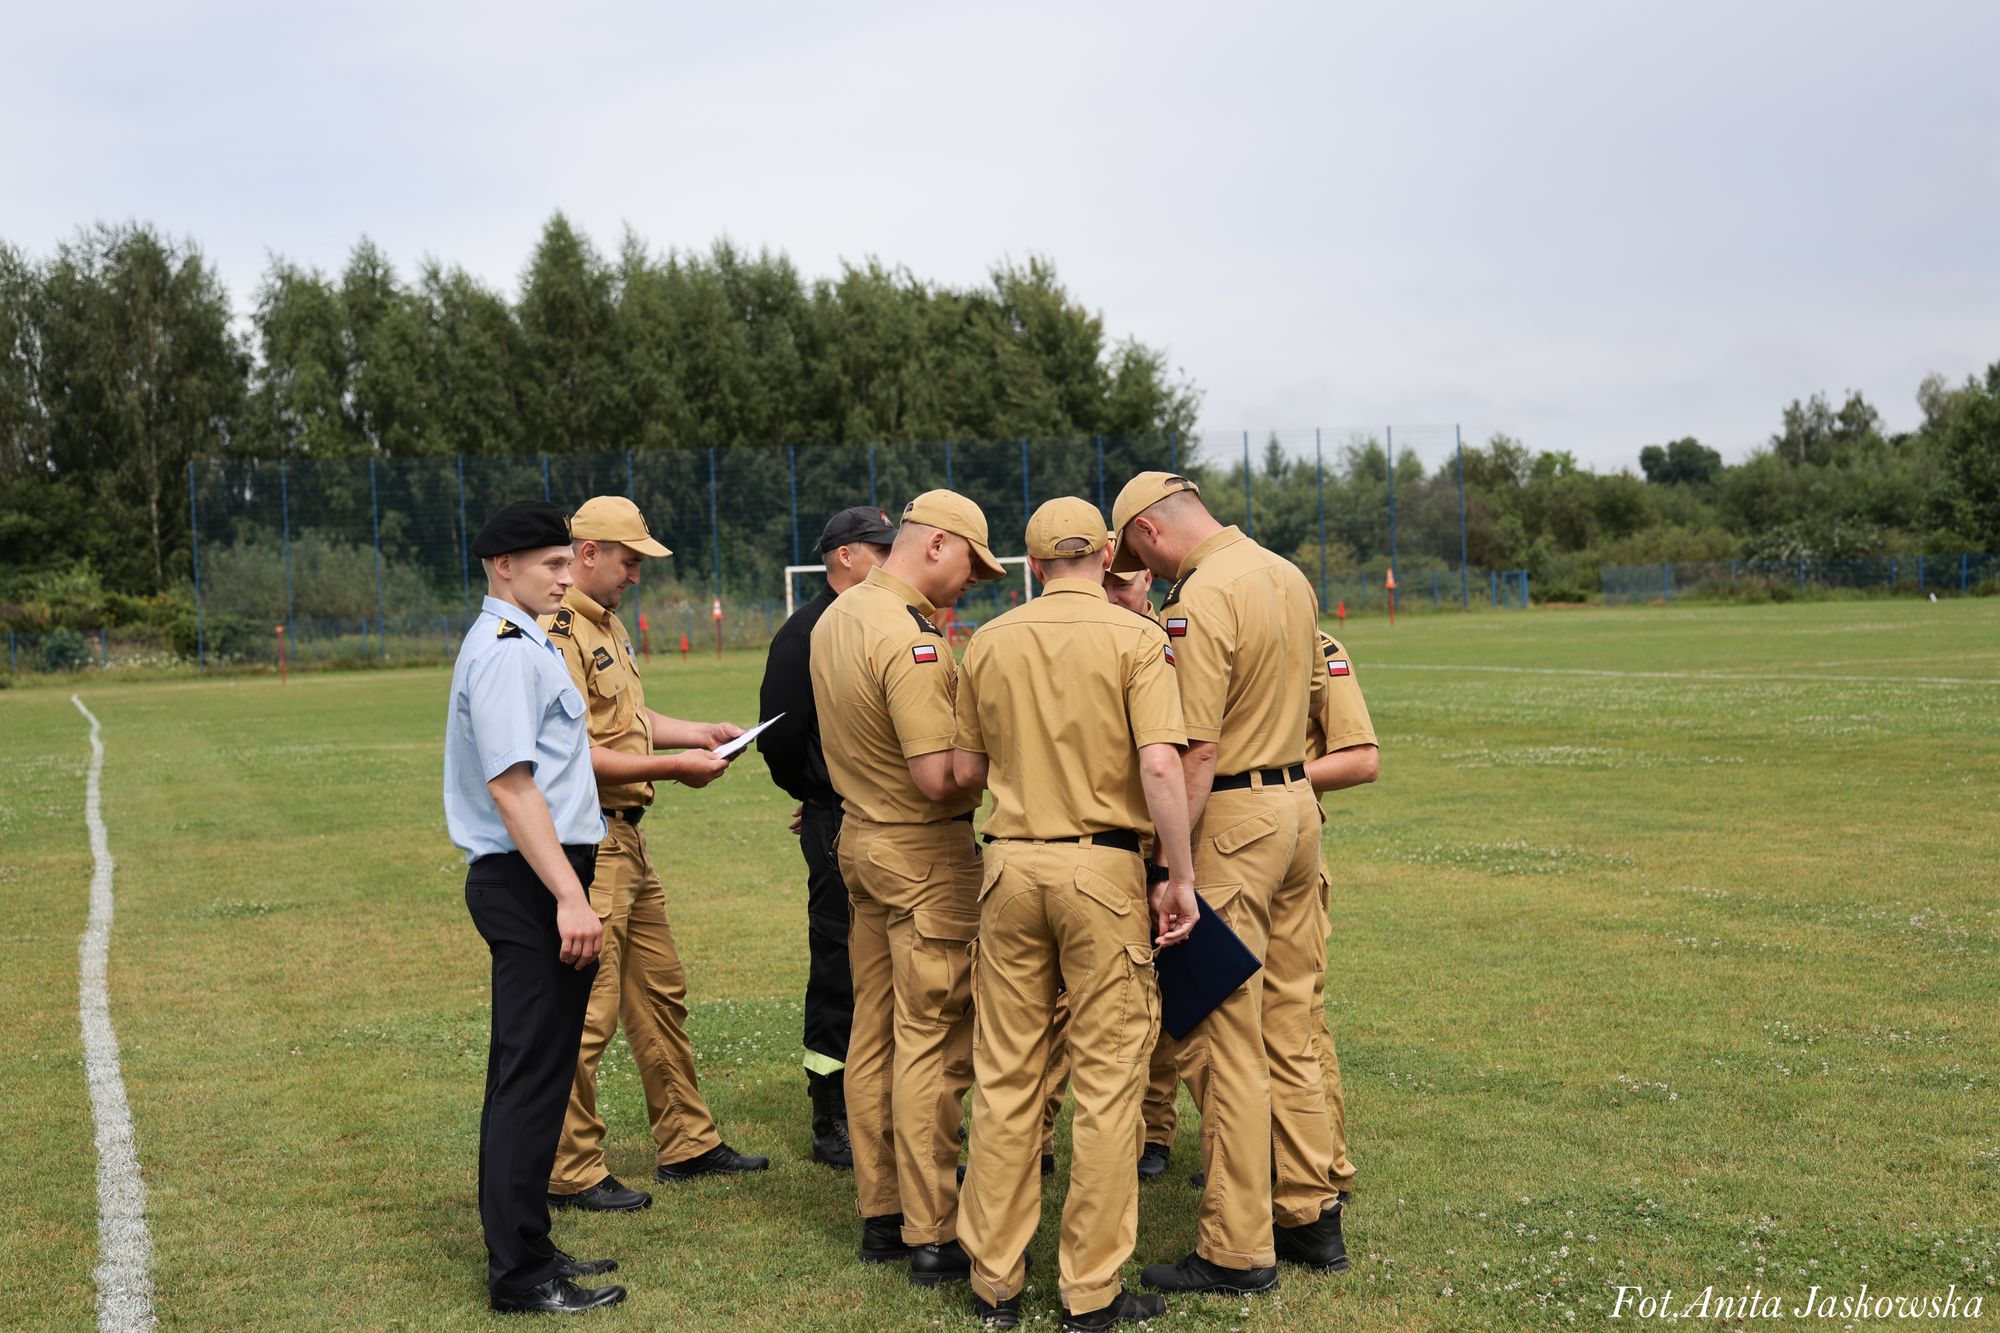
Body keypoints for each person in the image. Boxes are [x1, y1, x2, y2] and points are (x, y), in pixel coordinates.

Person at [954, 497, 1198, 1331]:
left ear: (1028, 564)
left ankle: (994, 1282)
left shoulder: (986, 641)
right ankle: (1090, 1290)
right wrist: (1181, 874)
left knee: (1007, 1076)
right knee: (1106, 1082)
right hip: (1102, 867)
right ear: (1103, 553)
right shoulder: (1136, 637)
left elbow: (965, 766)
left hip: (1010, 861)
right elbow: (1161, 764)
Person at [1110, 471, 1325, 1297]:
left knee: (1221, 1038)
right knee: (1291, 1018)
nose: (1151, 576)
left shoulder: (1198, 600)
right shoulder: (1286, 573)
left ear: (1152, 535)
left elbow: (1193, 749)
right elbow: (1311, 701)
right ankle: (1311, 1210)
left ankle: (1239, 1248)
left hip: (1233, 817)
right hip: (1298, 805)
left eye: (1142, 560)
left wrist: (1174, 867)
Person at [542, 495, 768, 1217]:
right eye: (628, 559)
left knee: (659, 993)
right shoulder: (559, 630)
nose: (636, 572)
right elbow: (570, 751)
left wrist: (697, 730)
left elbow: (629, 721)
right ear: (588, 553)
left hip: (628, 840)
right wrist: (674, 766)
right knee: (589, 1011)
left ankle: (687, 1140)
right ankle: (570, 1167)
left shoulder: (605, 624)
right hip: (591, 836)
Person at [809, 489, 999, 1285]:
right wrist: (1001, 750)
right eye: (971, 563)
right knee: (933, 1041)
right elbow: (936, 776)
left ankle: (882, 1212)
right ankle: (932, 1229)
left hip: (862, 842)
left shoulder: (838, 616)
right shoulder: (910, 638)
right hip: (923, 852)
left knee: (874, 1031)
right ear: (937, 545)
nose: (972, 582)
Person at [443, 500, 624, 1315]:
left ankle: (532, 1248)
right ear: (500, 566)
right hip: (531, 878)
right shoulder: (509, 652)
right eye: (549, 564)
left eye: (565, 562)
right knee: (528, 1078)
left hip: (536, 874)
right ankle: (519, 1273)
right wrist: (569, 895)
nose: (563, 575)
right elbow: (512, 785)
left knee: (536, 1075)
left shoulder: (523, 641)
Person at [757, 505, 899, 1169]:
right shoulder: (805, 633)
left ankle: (895, 1102)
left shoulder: (884, 621)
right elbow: (781, 736)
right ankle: (830, 1113)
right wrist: (819, 794)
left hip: (887, 818)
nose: (889, 558)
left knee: (900, 962)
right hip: (838, 819)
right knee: (841, 961)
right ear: (843, 554)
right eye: (878, 548)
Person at [1289, 628, 1381, 1272]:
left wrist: (1262, 785)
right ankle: (1258, 1162)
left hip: (1281, 854)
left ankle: (1326, 1170)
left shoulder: (1315, 645)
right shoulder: (1166, 631)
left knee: (1298, 1022)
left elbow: (1359, 757)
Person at [1105, 560, 1185, 1184]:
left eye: (1125, 582)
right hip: (1103, 849)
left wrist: (1170, 865)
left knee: (1164, 1001)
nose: (1114, 593)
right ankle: (1046, 1136)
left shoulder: (1170, 642)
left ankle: (1154, 1131)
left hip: (1163, 845)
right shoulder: (1089, 638)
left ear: (1146, 584)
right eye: (1107, 581)